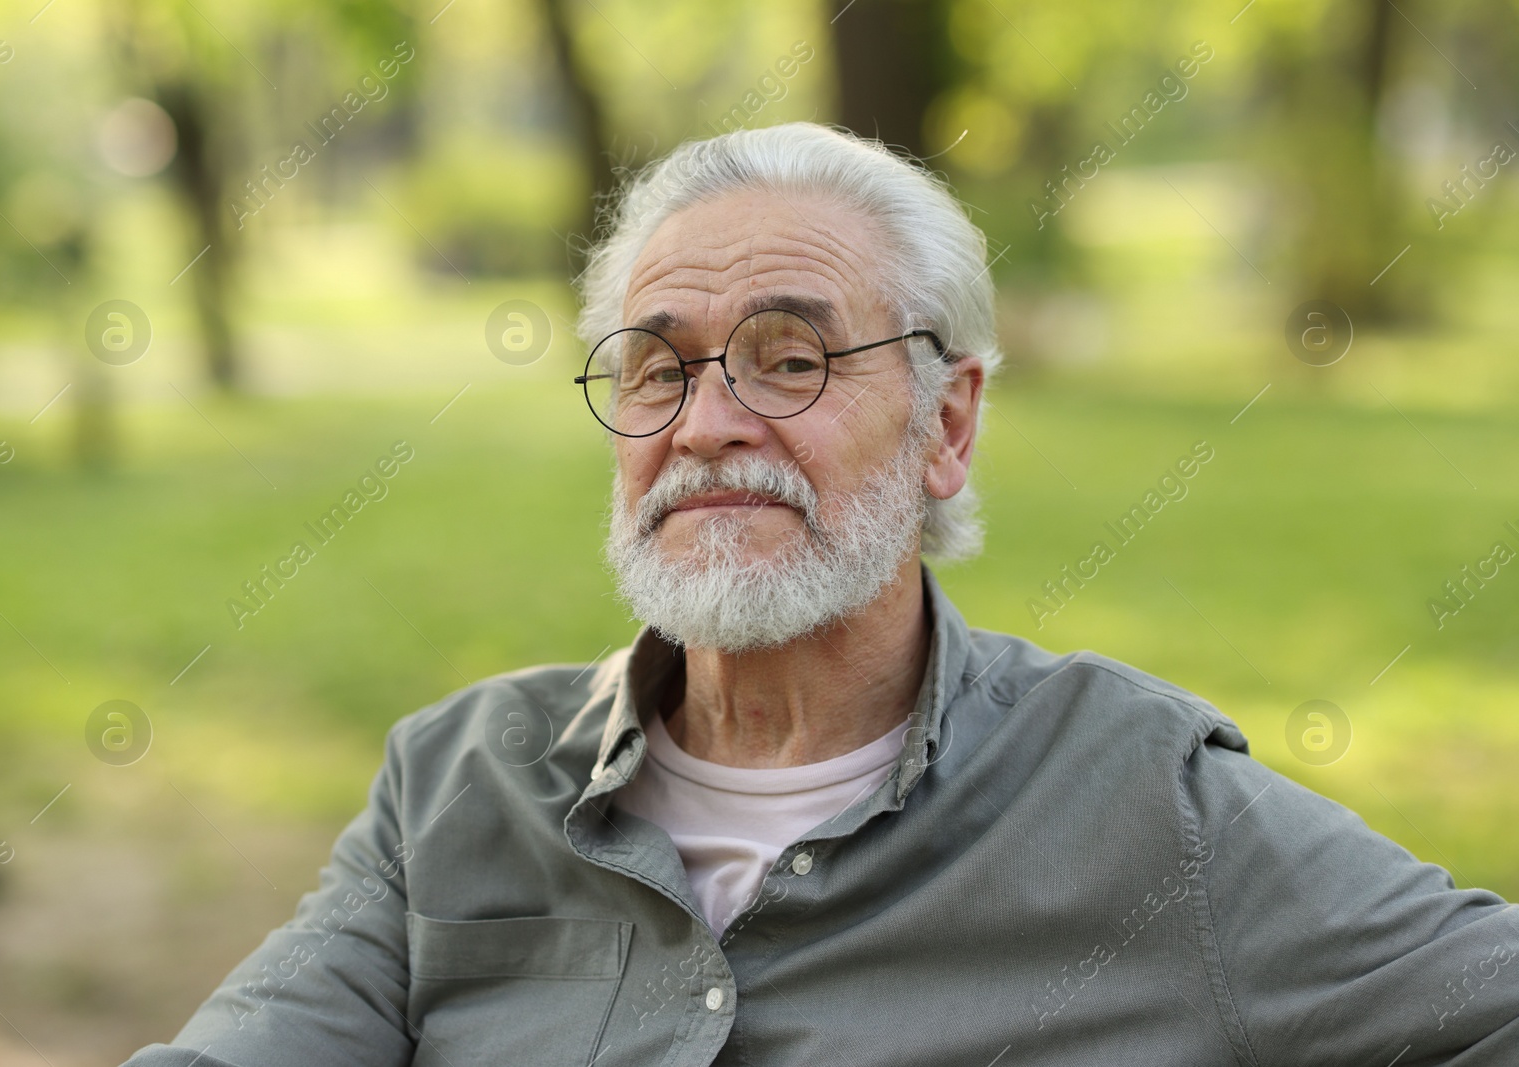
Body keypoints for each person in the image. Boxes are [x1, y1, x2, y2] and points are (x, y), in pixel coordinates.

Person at [123, 122, 1518, 1066]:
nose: (708, 422)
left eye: (790, 358)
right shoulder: (454, 793)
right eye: (659, 369)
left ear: (946, 424)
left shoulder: (1146, 803)